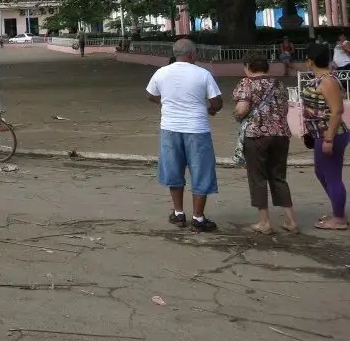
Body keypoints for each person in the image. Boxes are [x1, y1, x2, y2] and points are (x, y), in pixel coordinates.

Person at [146, 38, 223, 232]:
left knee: (173, 170)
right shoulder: (203, 74)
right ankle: (198, 217)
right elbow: (217, 101)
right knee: (201, 171)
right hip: (197, 129)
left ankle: (179, 213)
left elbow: (151, 94)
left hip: (170, 127)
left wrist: (166, 103)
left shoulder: (161, 72)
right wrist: (211, 109)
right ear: (192, 54)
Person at [233, 54, 298, 234]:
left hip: (256, 135)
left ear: (248, 66)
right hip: (281, 134)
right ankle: (291, 220)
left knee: (258, 177)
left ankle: (264, 222)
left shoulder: (246, 83)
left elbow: (242, 108)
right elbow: (285, 108)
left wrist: (237, 115)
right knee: (278, 176)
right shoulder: (278, 84)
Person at [302, 43, 348, 230]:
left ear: (310, 61)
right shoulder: (321, 79)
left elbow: (337, 111)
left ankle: (339, 218)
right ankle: (338, 210)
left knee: (331, 175)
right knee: (322, 173)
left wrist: (329, 138)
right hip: (320, 133)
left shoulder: (327, 81)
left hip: (331, 133)